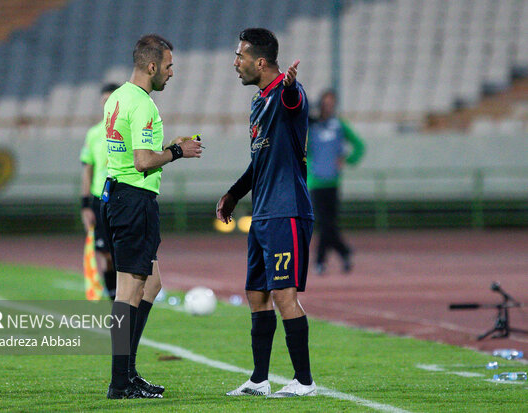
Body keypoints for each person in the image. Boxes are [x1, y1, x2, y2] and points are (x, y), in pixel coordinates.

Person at [216, 28, 316, 398]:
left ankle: (304, 381)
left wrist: (291, 86)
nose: (235, 63)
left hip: (287, 210)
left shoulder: (290, 95)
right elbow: (258, 161)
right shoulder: (258, 102)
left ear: (260, 61)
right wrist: (233, 194)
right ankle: (259, 379)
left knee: (283, 294)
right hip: (262, 214)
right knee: (256, 294)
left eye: (239, 56)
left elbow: (293, 101)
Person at [101, 34, 202, 399]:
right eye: (169, 65)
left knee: (152, 283)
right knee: (128, 291)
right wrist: (177, 150)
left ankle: (127, 372)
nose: (172, 73)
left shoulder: (118, 97)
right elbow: (143, 162)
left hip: (119, 195)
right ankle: (120, 381)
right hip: (134, 200)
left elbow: (132, 153)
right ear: (152, 66)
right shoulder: (143, 104)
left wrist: (166, 147)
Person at [307, 89, 365, 274]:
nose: (328, 106)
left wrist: (347, 159)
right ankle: (343, 252)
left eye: (332, 103)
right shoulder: (311, 125)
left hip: (333, 181)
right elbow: (300, 148)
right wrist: (309, 166)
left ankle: (322, 261)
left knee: (328, 224)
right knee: (325, 223)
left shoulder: (340, 126)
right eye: (326, 102)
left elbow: (359, 145)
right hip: (315, 182)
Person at [79, 83, 120, 299]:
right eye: (104, 101)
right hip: (100, 199)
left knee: (122, 252)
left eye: (111, 100)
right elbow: (88, 170)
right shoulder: (94, 134)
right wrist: (85, 205)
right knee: (105, 253)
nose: (107, 105)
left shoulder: (128, 130)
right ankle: (115, 299)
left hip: (123, 197)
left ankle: (126, 297)